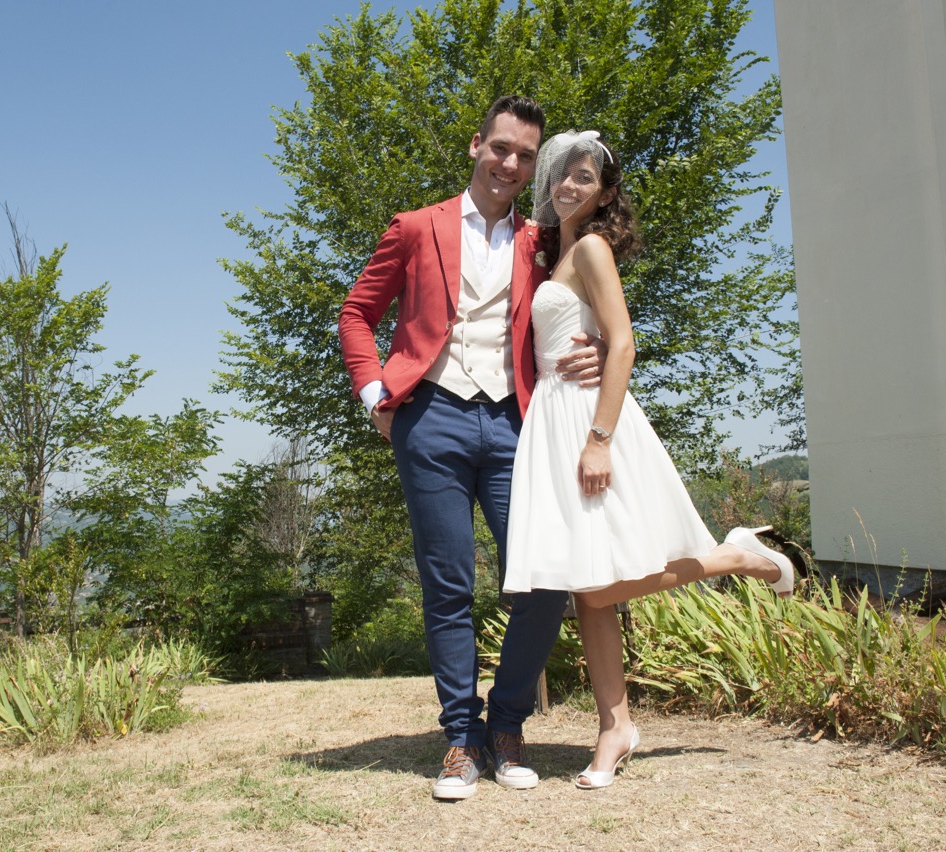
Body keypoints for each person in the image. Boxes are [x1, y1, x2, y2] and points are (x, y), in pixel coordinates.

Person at [502, 130, 795, 791]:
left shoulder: (592, 249)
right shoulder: (556, 252)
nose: (568, 184)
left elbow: (625, 342)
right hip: (553, 419)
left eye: (584, 177)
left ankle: (738, 556)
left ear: (605, 194)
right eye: (563, 173)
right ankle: (616, 728)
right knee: (588, 587)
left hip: (588, 420)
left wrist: (599, 439)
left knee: (598, 587)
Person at [338, 96, 604, 800]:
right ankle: (461, 737)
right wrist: (375, 396)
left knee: (544, 576)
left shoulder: (541, 241)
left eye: (525, 156)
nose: (511, 164)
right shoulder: (415, 226)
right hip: (430, 418)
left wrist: (600, 353)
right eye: (501, 148)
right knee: (448, 582)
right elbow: (357, 312)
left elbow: (584, 307)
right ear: (476, 146)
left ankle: (507, 726)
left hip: (517, 423)